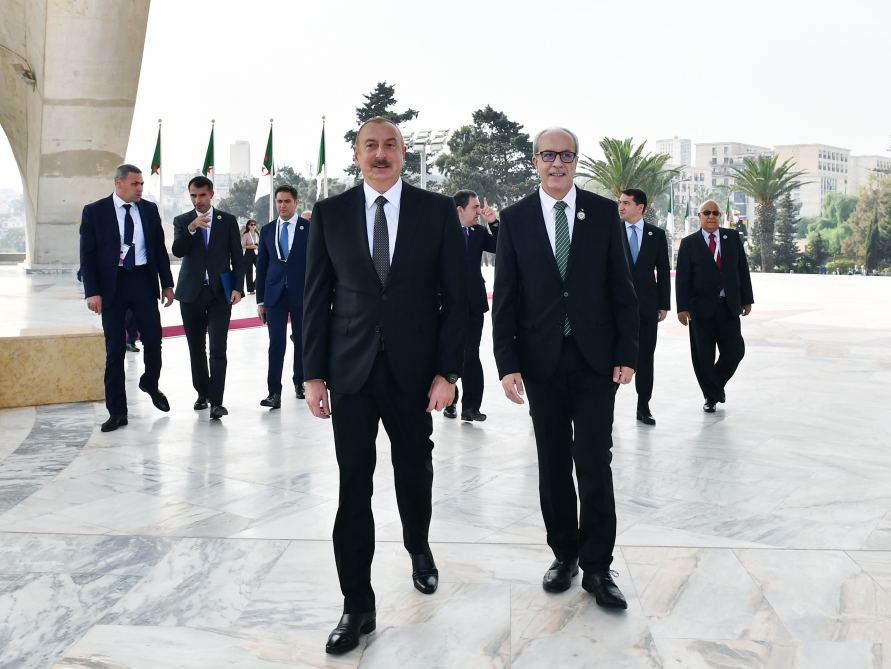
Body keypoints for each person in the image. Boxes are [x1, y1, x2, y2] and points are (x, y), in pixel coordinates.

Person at [303, 117, 467, 655]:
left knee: (413, 469)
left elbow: (458, 300)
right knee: (354, 489)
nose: (380, 154)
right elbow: (315, 300)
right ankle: (357, 606)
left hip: (415, 375)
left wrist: (448, 373)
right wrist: (311, 374)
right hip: (350, 374)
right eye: (370, 146)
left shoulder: (435, 211)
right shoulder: (329, 214)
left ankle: (418, 547)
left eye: (390, 145)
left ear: (403, 153)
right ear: (355, 154)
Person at [492, 127, 638, 609]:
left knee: (594, 459)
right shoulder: (514, 219)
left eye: (567, 155)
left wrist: (627, 352)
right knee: (553, 461)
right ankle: (565, 554)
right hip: (541, 362)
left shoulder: (601, 213)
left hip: (595, 360)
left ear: (577, 161)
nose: (558, 163)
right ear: (534, 161)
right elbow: (507, 297)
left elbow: (622, 288)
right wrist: (507, 362)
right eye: (548, 155)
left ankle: (598, 567)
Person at [79, 164, 174, 432]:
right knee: (115, 351)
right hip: (113, 286)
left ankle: (150, 383)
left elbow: (158, 249)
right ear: (118, 183)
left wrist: (167, 284)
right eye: (135, 184)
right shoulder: (95, 212)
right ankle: (118, 411)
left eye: (142, 184)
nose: (140, 189)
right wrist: (92, 292)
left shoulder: (149, 209)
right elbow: (87, 256)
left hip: (143, 281)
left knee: (154, 340)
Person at [171, 176, 244, 420]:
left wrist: (238, 287)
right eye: (193, 195)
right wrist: (192, 229)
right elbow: (178, 251)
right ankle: (202, 393)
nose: (198, 200)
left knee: (218, 349)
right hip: (191, 294)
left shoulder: (227, 220)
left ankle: (217, 402)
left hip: (219, 295)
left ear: (211, 194)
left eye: (202, 195)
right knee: (196, 349)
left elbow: (238, 257)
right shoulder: (182, 221)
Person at [675, 200, 753, 413]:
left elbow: (742, 270)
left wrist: (747, 299)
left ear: (721, 216)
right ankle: (711, 397)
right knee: (703, 357)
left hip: (729, 307)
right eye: (706, 213)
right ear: (699, 216)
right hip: (700, 309)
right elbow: (682, 278)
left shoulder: (732, 238)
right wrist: (681, 307)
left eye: (715, 213)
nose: (711, 216)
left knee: (735, 351)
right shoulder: (689, 243)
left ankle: (715, 386)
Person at [444, 190, 498, 422]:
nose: (479, 211)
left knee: (472, 354)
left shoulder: (478, 233)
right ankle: (450, 401)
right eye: (475, 208)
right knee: (450, 354)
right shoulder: (443, 232)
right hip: (447, 305)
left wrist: (493, 222)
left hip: (474, 304)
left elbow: (499, 245)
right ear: (459, 210)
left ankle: (471, 407)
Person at [617, 189, 670, 425]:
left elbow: (664, 273)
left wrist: (664, 304)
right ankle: (606, 405)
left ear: (641, 208)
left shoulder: (656, 235)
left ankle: (643, 407)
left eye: (626, 203)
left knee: (646, 359)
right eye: (620, 202)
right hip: (616, 309)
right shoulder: (612, 231)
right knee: (615, 358)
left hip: (647, 308)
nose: (621, 207)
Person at [256, 185, 309, 408]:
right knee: (276, 343)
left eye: (287, 201)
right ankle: (273, 392)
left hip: (302, 294)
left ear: (296, 202)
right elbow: (262, 266)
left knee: (302, 341)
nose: (282, 206)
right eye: (279, 201)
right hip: (274, 295)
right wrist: (260, 300)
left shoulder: (309, 228)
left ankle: (300, 383)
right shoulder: (267, 230)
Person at [241, 219, 259, 294]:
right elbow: (242, 245)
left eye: (254, 224)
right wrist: (252, 246)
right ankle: (250, 289)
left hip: (257, 253)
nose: (253, 226)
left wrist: (256, 246)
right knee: (249, 272)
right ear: (248, 226)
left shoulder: (257, 234)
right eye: (252, 225)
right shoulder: (246, 235)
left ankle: (254, 285)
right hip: (248, 254)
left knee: (261, 269)